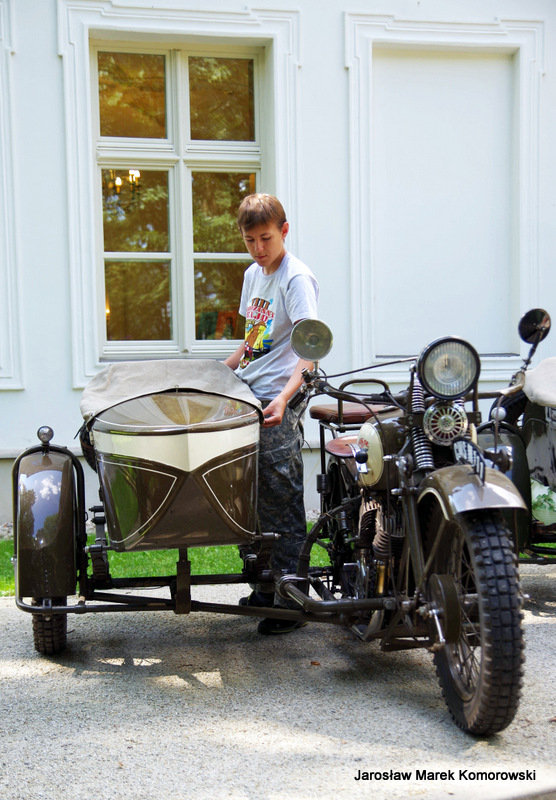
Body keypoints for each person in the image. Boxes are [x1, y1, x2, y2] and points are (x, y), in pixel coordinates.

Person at [224, 193, 319, 634]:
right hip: (249, 394)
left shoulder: (296, 279)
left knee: (280, 499)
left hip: (279, 398)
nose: (259, 249)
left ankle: (291, 603)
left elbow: (309, 352)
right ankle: (265, 587)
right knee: (248, 496)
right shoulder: (252, 274)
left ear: (284, 231)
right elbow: (252, 341)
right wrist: (218, 372)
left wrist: (283, 399)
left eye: (266, 238)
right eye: (250, 241)